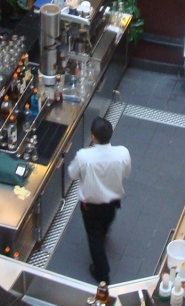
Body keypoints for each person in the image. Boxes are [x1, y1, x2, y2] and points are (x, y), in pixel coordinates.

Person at [67, 117, 131, 285]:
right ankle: (104, 234)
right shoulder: (122, 153)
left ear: (92, 136)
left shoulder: (84, 156)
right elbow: (127, 172)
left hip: (91, 207)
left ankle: (102, 273)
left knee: (94, 239)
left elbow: (72, 174)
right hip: (112, 203)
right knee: (104, 224)